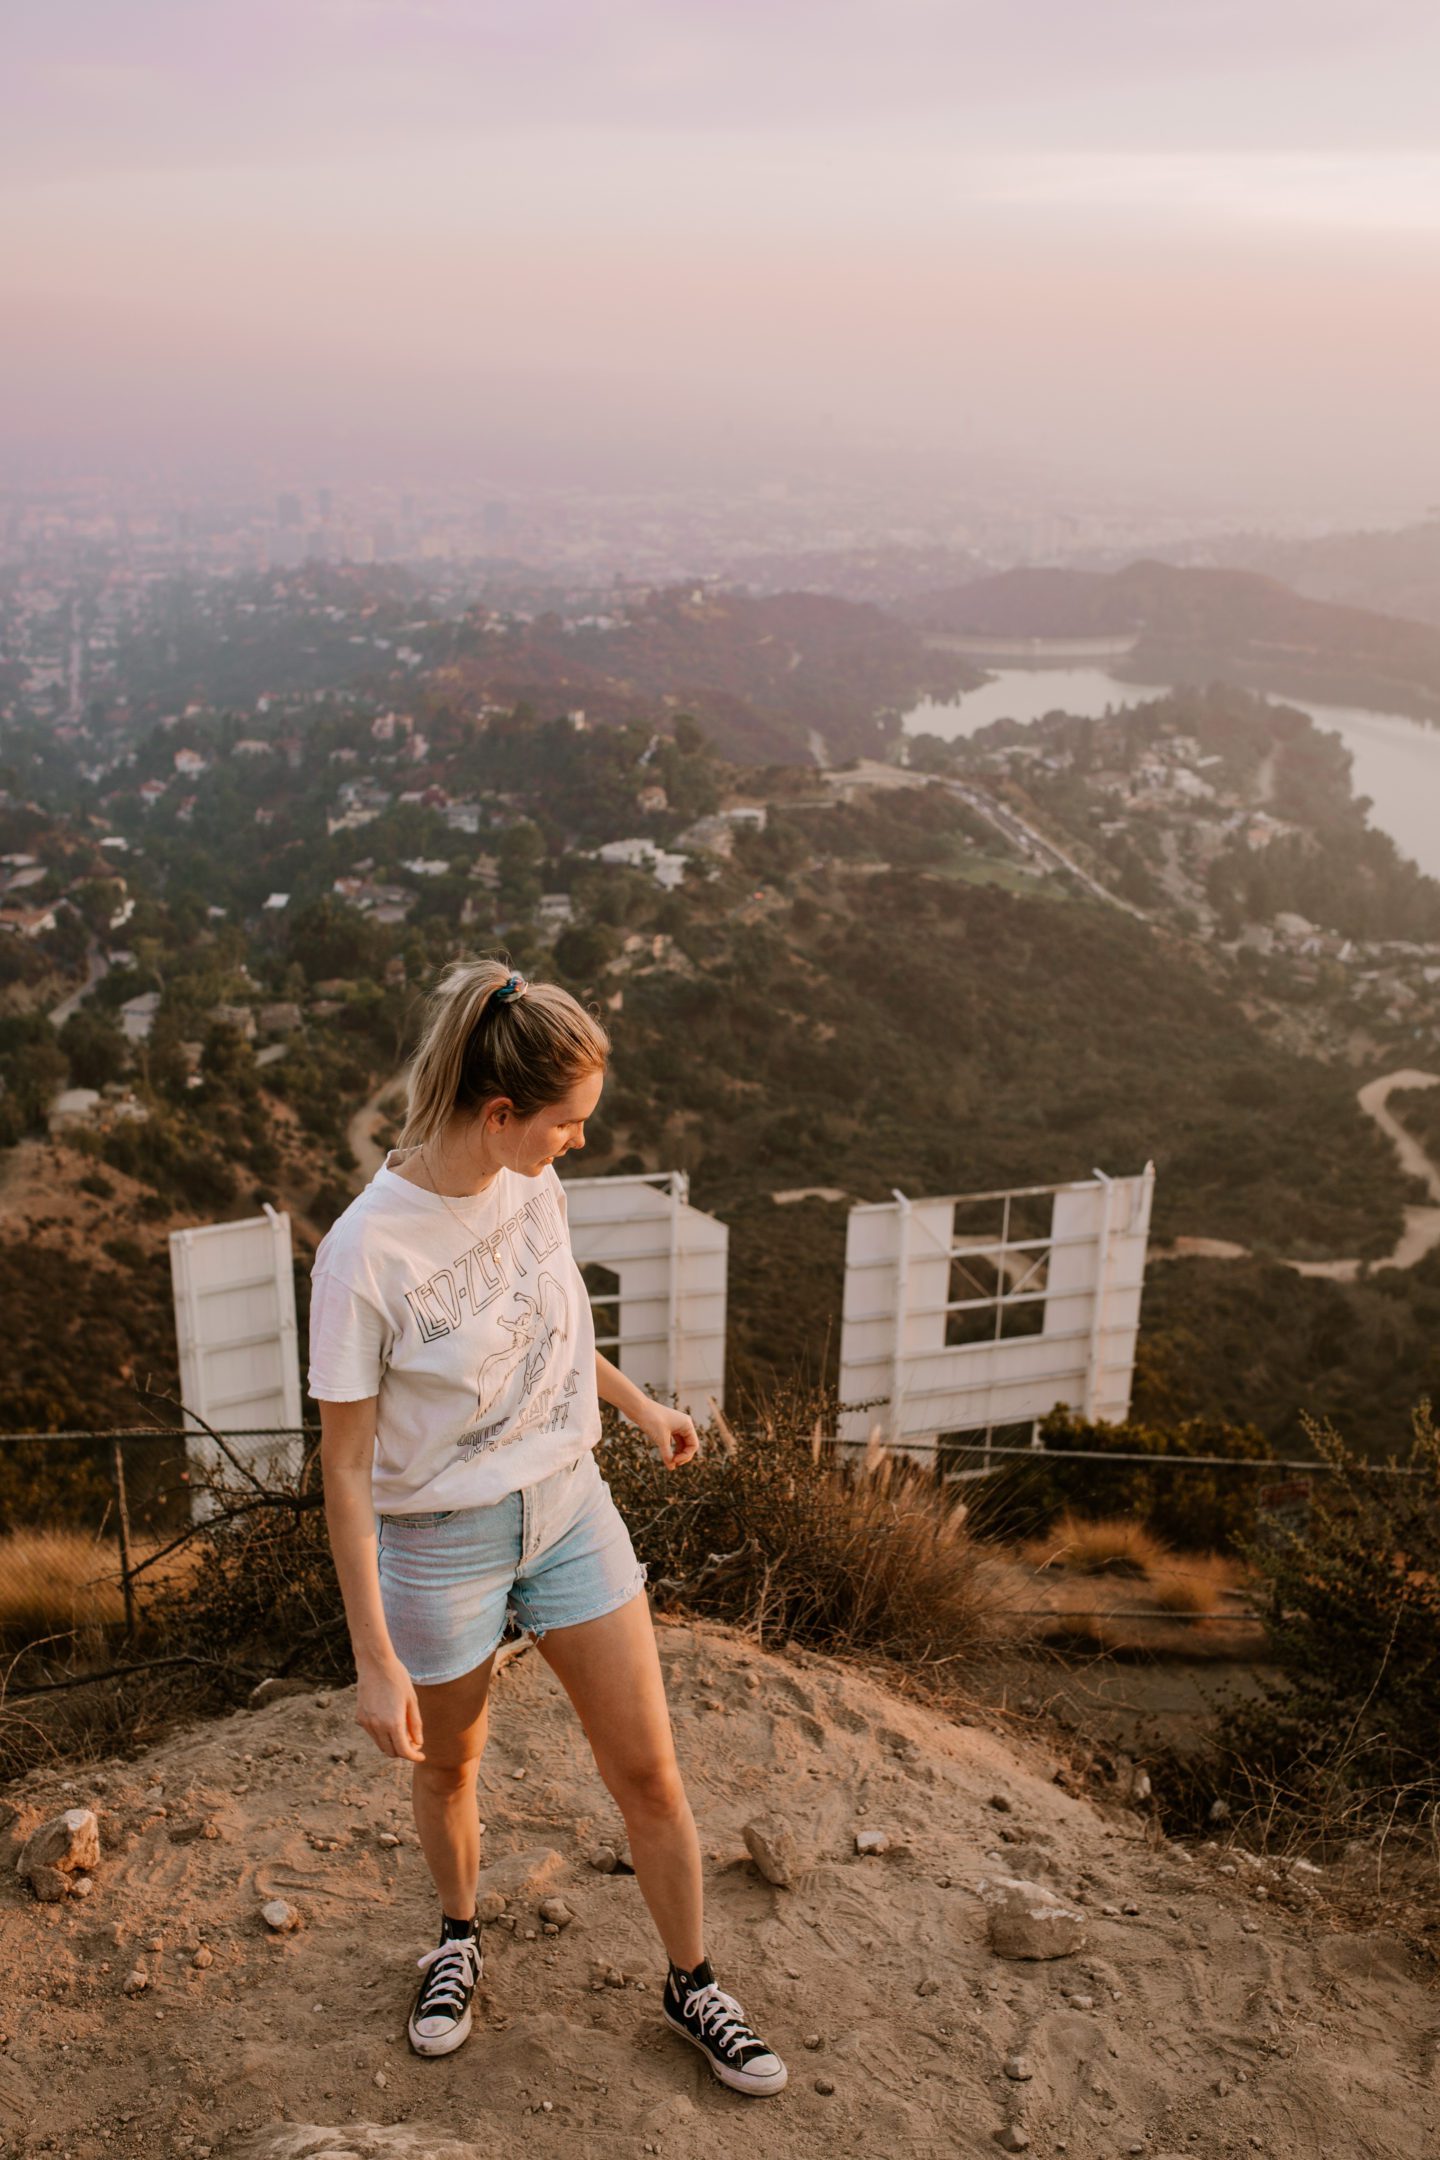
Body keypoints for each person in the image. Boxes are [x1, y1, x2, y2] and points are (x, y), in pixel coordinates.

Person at [307, 956, 787, 2096]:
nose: (578, 1143)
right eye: (566, 1125)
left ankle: (691, 1983)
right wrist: (373, 1661)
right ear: (501, 1111)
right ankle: (459, 1940)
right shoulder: (365, 1254)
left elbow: (552, 1322)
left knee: (652, 1777)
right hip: (441, 1544)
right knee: (450, 1769)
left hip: (571, 1510)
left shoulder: (533, 1184)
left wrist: (636, 1405)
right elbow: (344, 1465)